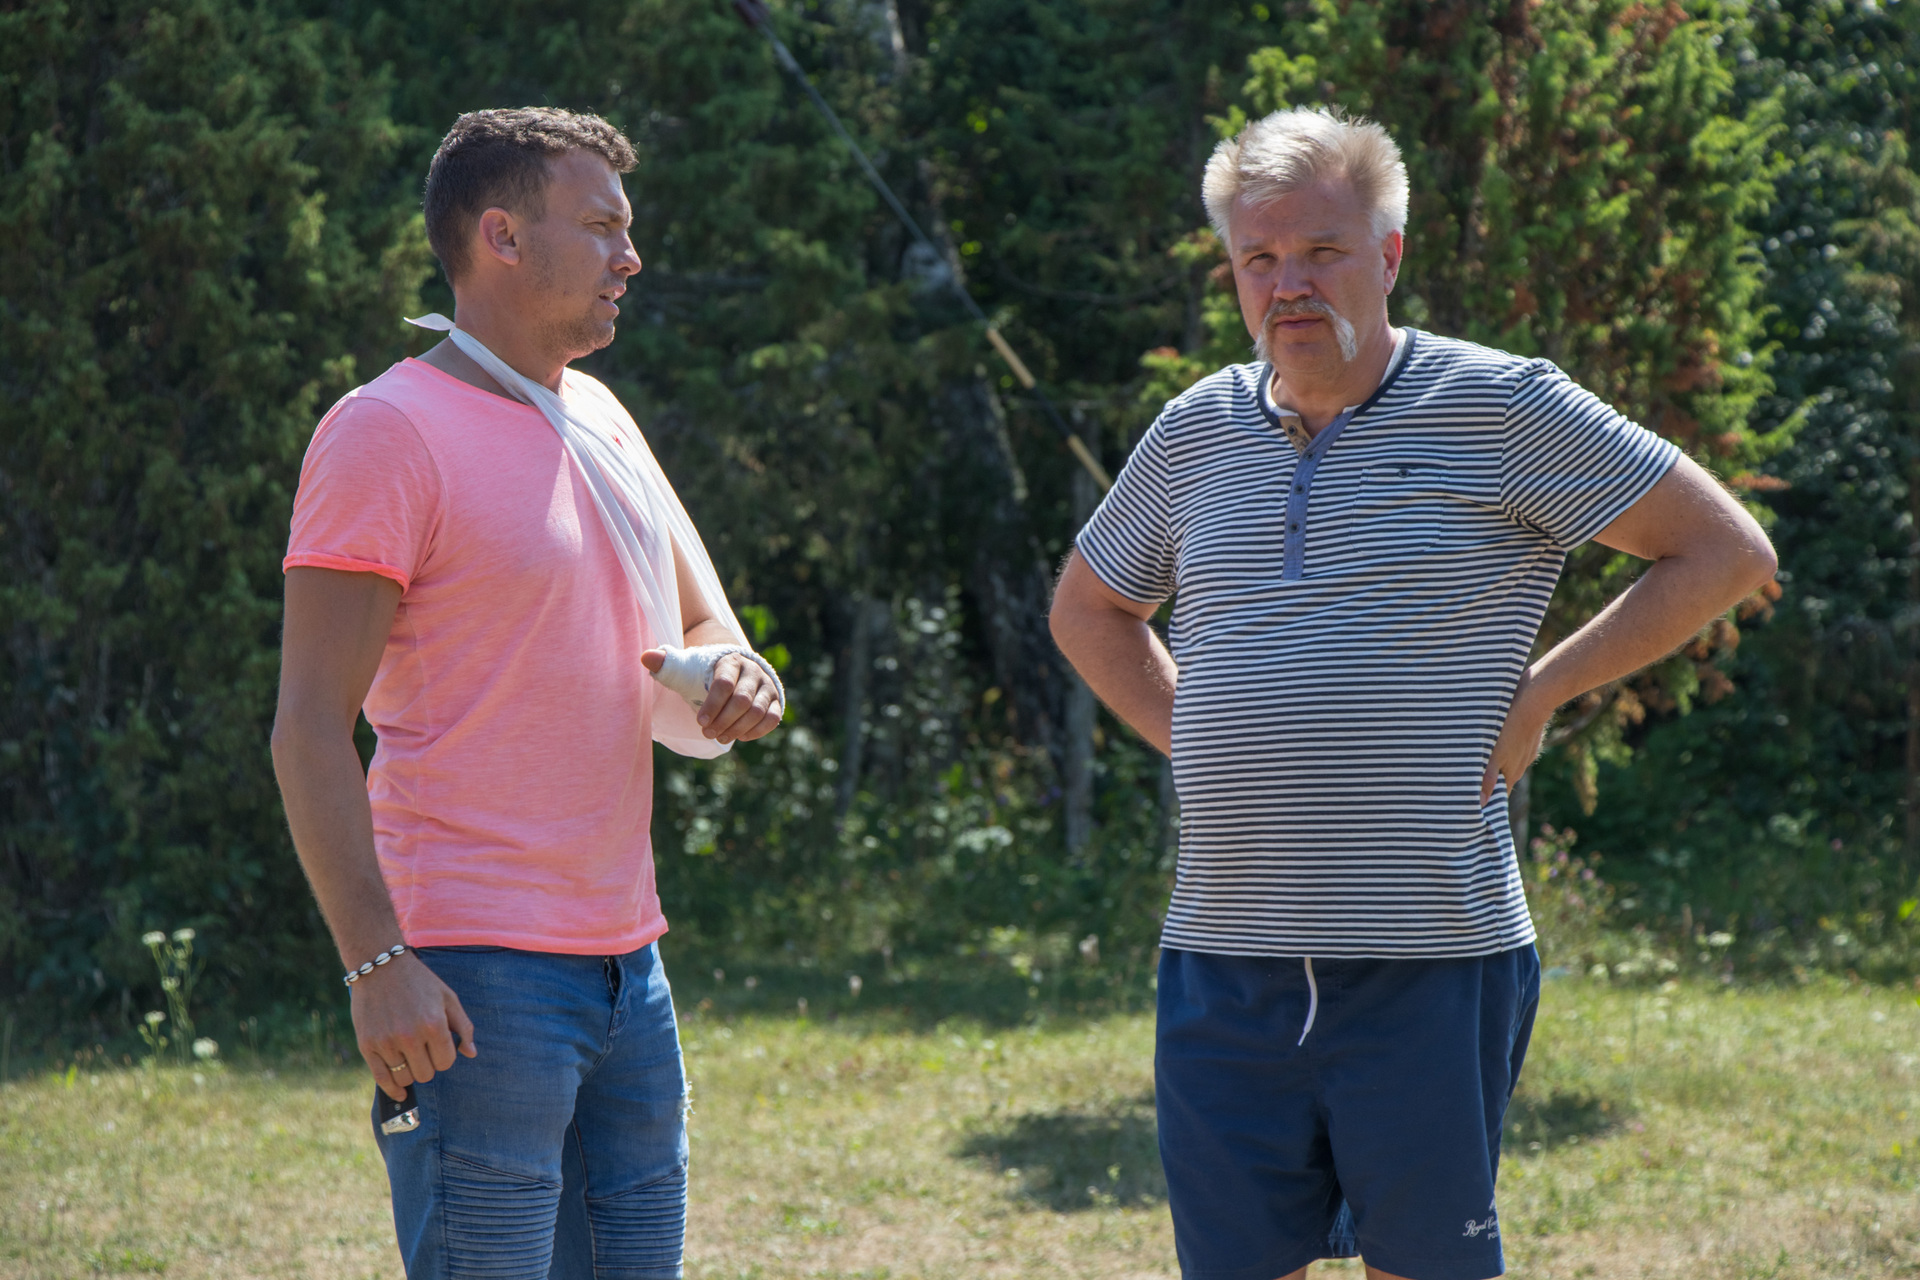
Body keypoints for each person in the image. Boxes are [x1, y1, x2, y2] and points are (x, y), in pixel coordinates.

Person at [1048, 106, 1776, 1280]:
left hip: (1430, 954)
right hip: (1223, 957)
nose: (1289, 282)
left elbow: (1725, 551)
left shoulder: (1501, 403)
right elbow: (1089, 607)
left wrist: (1543, 689)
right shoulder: (1195, 431)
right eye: (1258, 257)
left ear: (1387, 255)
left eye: (1322, 250)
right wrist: (1196, 733)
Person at [270, 107, 784, 1279]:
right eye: (601, 227)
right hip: (469, 974)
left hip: (630, 968)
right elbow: (307, 727)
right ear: (501, 236)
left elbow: (710, 624)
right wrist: (375, 963)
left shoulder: (599, 412)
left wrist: (737, 677)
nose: (630, 258)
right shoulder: (384, 432)